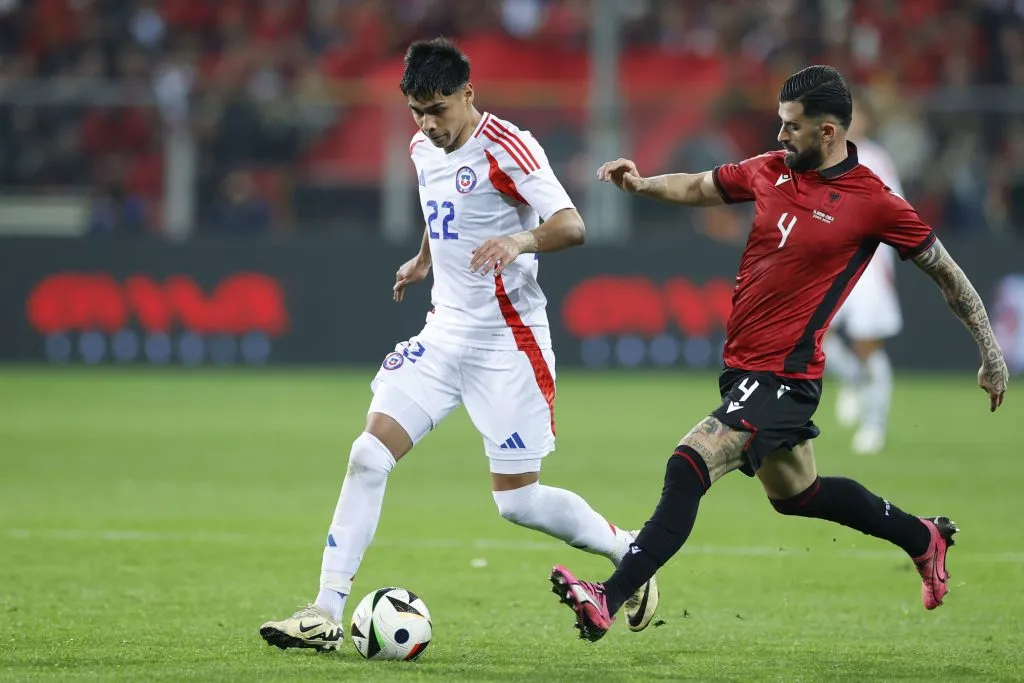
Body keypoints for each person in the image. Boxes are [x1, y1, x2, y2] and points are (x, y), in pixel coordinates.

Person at [547, 65, 1008, 642]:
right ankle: (923, 538)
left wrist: (991, 352)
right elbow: (698, 186)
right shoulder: (769, 170)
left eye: (793, 126)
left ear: (830, 133)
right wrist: (643, 185)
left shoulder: (874, 202)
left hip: (784, 376)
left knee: (688, 463)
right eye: (780, 123)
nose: (781, 135)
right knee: (799, 495)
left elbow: (947, 275)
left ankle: (608, 596)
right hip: (744, 367)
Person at [258, 38, 658, 652]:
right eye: (417, 111)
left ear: (468, 94)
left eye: (438, 109)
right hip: (444, 336)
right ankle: (325, 611)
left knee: (518, 504)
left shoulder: (509, 146)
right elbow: (439, 204)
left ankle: (628, 553)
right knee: (368, 454)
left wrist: (517, 244)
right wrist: (423, 259)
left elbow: (571, 224)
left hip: (508, 343)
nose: (427, 124)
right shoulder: (423, 146)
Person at [822, 97, 905, 454]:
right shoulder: (820, 157)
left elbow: (897, 210)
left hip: (867, 264)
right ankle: (851, 377)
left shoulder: (876, 159)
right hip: (825, 262)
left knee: (867, 345)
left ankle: (874, 424)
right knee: (808, 335)